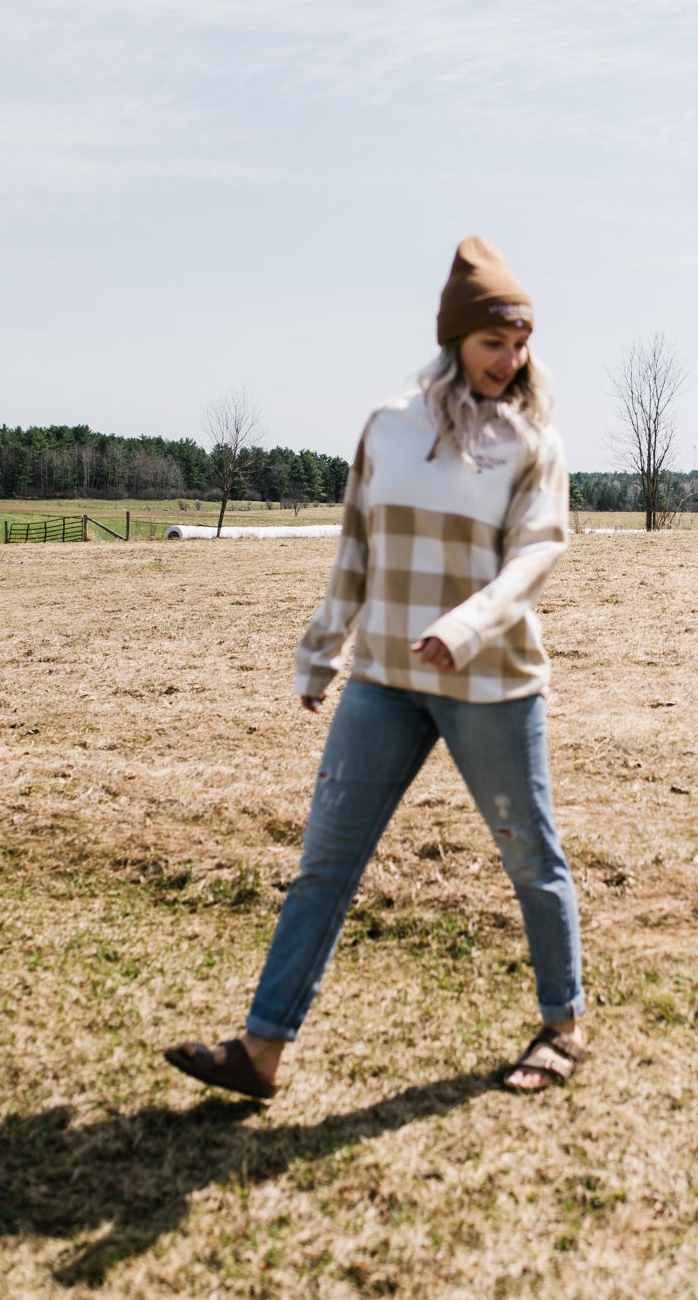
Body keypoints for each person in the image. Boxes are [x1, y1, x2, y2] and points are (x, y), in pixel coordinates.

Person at [166, 238, 586, 1098]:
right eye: (492, 342)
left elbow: (537, 554)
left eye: (520, 344)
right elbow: (356, 549)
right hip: (387, 682)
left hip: (490, 682)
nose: (509, 360)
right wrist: (321, 650)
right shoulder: (389, 427)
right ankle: (261, 1051)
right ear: (455, 340)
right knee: (326, 859)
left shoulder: (529, 442)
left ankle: (564, 1022)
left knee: (528, 856)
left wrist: (465, 628)